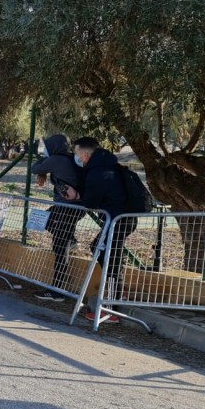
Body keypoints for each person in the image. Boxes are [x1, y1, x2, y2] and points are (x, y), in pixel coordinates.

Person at [65, 136, 139, 323]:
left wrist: (77, 195)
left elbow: (90, 202)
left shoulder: (98, 172)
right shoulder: (109, 166)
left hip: (118, 221)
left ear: (85, 155)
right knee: (105, 252)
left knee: (110, 259)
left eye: (77, 154)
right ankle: (115, 295)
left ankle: (112, 309)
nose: (76, 158)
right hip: (121, 219)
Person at [31, 134, 83, 302]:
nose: (44, 150)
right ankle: (71, 240)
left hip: (67, 208)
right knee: (45, 221)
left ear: (53, 147)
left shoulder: (57, 160)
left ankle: (57, 291)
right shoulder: (70, 158)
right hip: (75, 207)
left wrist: (43, 165)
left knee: (60, 248)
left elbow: (34, 168)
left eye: (46, 147)